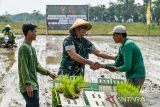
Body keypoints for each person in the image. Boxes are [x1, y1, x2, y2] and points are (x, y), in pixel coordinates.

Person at [18, 24, 57, 107]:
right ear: (29, 32)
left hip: (34, 84)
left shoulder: (31, 48)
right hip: (29, 86)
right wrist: (28, 84)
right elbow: (23, 67)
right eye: (35, 31)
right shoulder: (24, 48)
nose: (37, 34)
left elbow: (36, 65)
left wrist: (49, 73)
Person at [97, 25, 145, 90]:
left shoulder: (128, 44)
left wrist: (116, 69)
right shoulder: (121, 47)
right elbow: (116, 64)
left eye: (114, 35)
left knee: (131, 98)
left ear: (120, 35)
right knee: (128, 98)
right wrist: (100, 65)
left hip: (137, 75)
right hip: (130, 75)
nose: (113, 37)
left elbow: (127, 66)